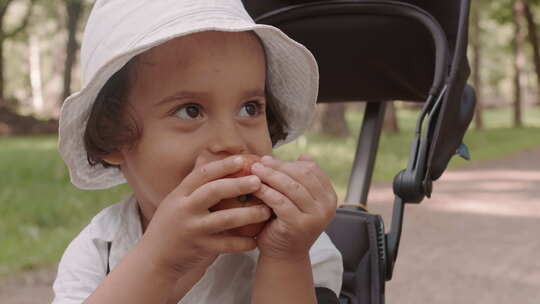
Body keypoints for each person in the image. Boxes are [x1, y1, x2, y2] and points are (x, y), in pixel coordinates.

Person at [52, 0, 343, 303]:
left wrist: (286, 258)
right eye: (190, 111)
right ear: (114, 135)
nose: (231, 141)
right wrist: (160, 264)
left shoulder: (295, 242)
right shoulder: (101, 251)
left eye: (250, 108)